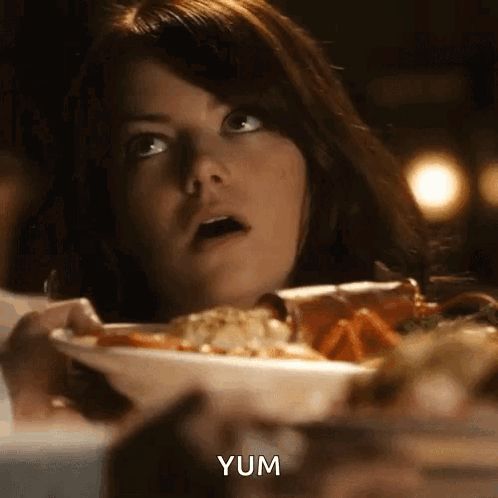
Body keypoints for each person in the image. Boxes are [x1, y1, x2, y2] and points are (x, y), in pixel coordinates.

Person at [0, 0, 427, 425]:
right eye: (149, 144)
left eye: (241, 122)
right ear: (111, 207)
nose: (202, 167)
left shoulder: (434, 369)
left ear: (317, 160)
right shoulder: (29, 374)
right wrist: (25, 413)